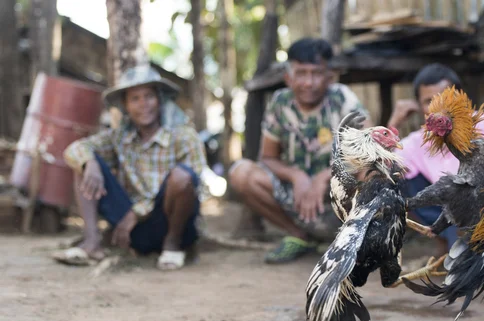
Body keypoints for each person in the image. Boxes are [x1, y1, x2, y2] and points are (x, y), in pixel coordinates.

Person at [228, 37, 372, 264]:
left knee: (376, 171)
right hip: (297, 197)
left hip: (340, 196)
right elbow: (268, 157)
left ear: (329, 76)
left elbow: (368, 150)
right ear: (288, 77)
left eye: (316, 73)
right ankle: (298, 236)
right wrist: (297, 177)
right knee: (241, 173)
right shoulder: (280, 103)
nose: (309, 82)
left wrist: (324, 178)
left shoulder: (343, 98)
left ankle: (355, 237)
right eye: (301, 73)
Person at [53, 64, 207, 271]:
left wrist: (136, 213)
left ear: (160, 100)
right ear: (126, 106)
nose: (143, 104)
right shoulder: (120, 137)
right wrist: (89, 163)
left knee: (182, 177)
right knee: (85, 162)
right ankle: (92, 242)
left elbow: (196, 183)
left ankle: (172, 246)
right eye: (135, 99)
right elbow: (74, 150)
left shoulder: (184, 135)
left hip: (173, 225)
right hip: (133, 229)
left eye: (149, 96)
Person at [388, 63, 484, 255]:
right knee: (395, 181)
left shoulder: (482, 126)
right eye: (428, 101)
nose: (438, 106)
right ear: (420, 106)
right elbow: (383, 164)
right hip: (457, 216)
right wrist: (393, 124)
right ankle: (445, 243)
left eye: (445, 98)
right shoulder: (418, 140)